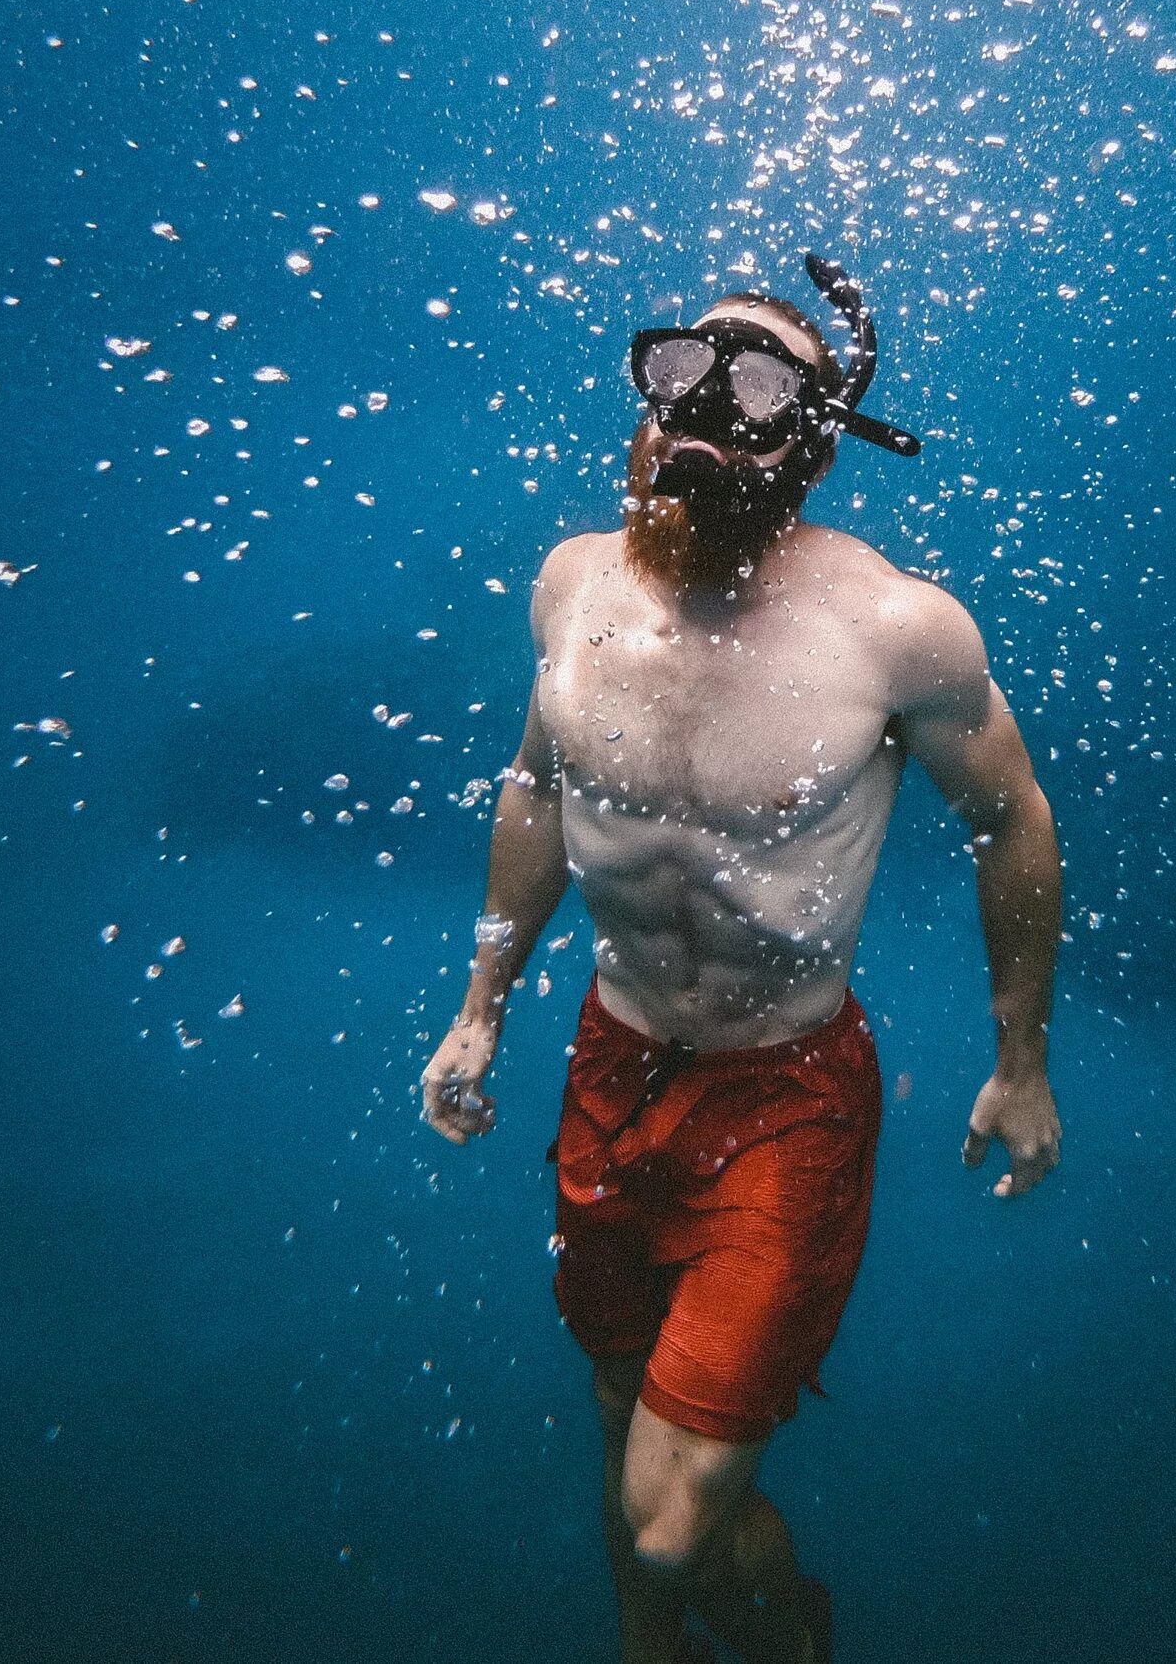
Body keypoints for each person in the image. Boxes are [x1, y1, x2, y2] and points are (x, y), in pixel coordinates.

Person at [420, 255, 1066, 1664]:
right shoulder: (570, 587)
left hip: (785, 1100)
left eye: (762, 381)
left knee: (664, 1519)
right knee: (620, 1425)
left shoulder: (895, 629)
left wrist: (1021, 1057)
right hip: (613, 1058)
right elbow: (536, 787)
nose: (708, 403)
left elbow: (1011, 819)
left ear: (812, 441)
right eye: (682, 368)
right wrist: (482, 999)